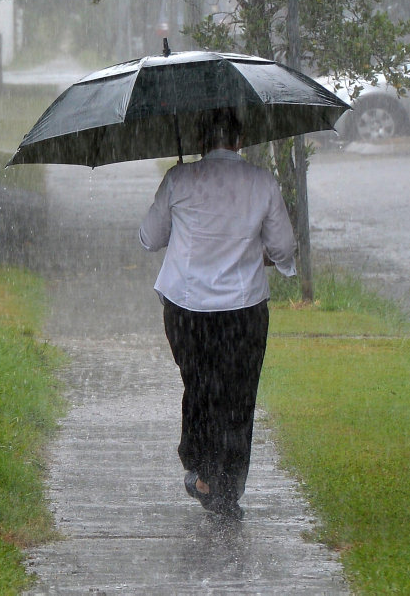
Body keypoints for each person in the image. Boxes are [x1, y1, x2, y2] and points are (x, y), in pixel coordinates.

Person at [139, 108, 297, 519]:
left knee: (200, 384)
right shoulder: (262, 183)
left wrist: (180, 218)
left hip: (187, 310)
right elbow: (283, 249)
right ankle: (227, 485)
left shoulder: (179, 179)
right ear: (240, 141)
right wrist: (257, 253)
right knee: (238, 397)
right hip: (242, 313)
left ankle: (201, 467)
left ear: (201, 141)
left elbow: (149, 237)